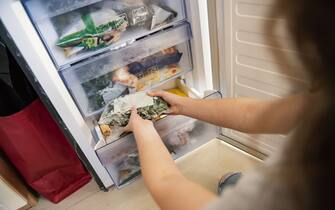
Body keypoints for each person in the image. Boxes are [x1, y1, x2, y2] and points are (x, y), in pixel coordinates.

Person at [124, 0, 335, 209]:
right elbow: (254, 114)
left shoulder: (290, 195)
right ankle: (232, 184)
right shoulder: (325, 101)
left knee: (238, 191)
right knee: (233, 182)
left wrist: (144, 130)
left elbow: (166, 184)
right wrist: (184, 105)